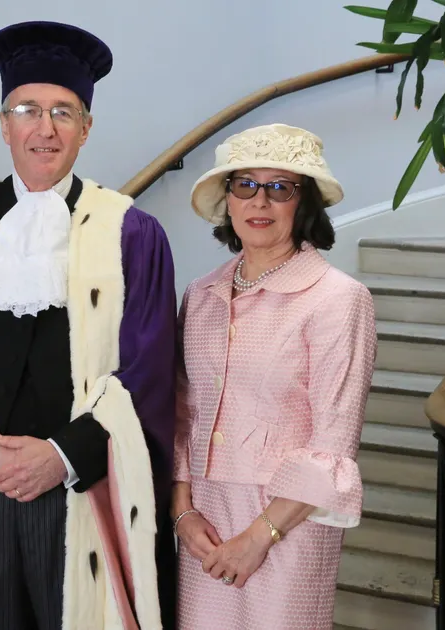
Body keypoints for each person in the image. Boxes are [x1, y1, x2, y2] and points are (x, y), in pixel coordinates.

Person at [0, 21, 177, 630]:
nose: (44, 129)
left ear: (86, 128)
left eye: (63, 113)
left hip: (82, 492)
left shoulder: (131, 232)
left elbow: (149, 370)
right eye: (28, 109)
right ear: (4, 124)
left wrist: (62, 456)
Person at [172, 123, 377, 629]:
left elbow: (334, 440)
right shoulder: (200, 295)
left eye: (280, 187)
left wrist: (259, 537)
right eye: (245, 184)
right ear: (228, 199)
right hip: (205, 520)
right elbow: (181, 413)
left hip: (290, 522)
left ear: (302, 204)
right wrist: (182, 513)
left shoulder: (339, 298)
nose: (259, 201)